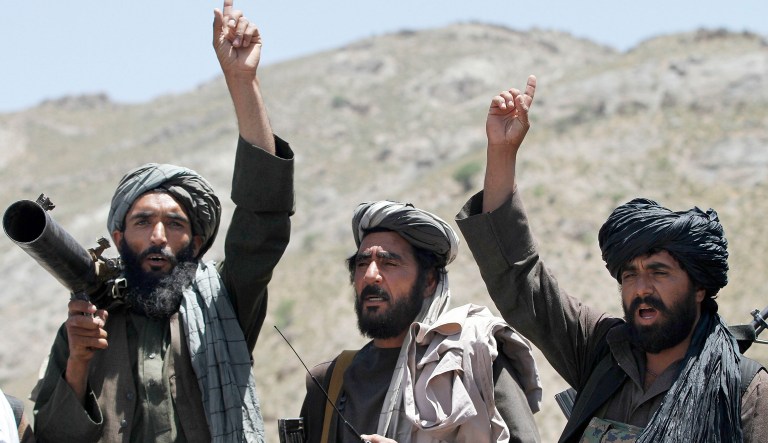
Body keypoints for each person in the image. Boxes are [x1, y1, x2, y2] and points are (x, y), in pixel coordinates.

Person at [31, 1, 294, 442]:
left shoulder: (223, 306)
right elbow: (50, 435)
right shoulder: (87, 324)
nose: (159, 237)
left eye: (175, 224)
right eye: (143, 222)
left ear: (196, 241)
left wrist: (242, 81)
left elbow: (262, 222)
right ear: (117, 237)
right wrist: (78, 363)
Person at [455, 75, 768, 442]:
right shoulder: (603, 353)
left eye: (658, 272)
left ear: (699, 287)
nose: (642, 288)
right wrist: (502, 152)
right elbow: (519, 279)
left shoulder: (745, 391)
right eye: (630, 274)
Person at [299, 201, 543, 443]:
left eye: (389, 263)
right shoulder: (330, 380)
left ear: (428, 282)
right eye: (362, 264)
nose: (370, 275)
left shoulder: (473, 357)